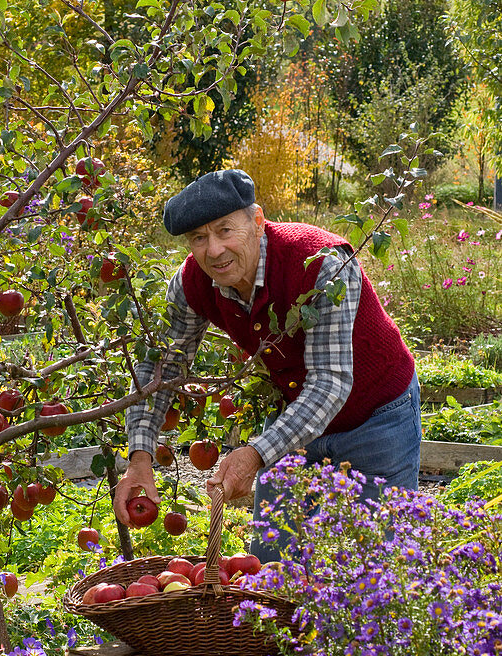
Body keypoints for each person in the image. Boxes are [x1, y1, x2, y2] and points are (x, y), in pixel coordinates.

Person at [113, 168, 421, 559]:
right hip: (296, 416)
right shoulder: (193, 282)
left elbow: (329, 383)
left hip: (376, 419)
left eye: (225, 230)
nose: (214, 250)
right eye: (199, 238)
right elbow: (159, 370)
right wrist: (139, 459)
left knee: (378, 569)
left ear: (257, 221)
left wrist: (256, 453)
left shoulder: (321, 264)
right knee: (270, 565)